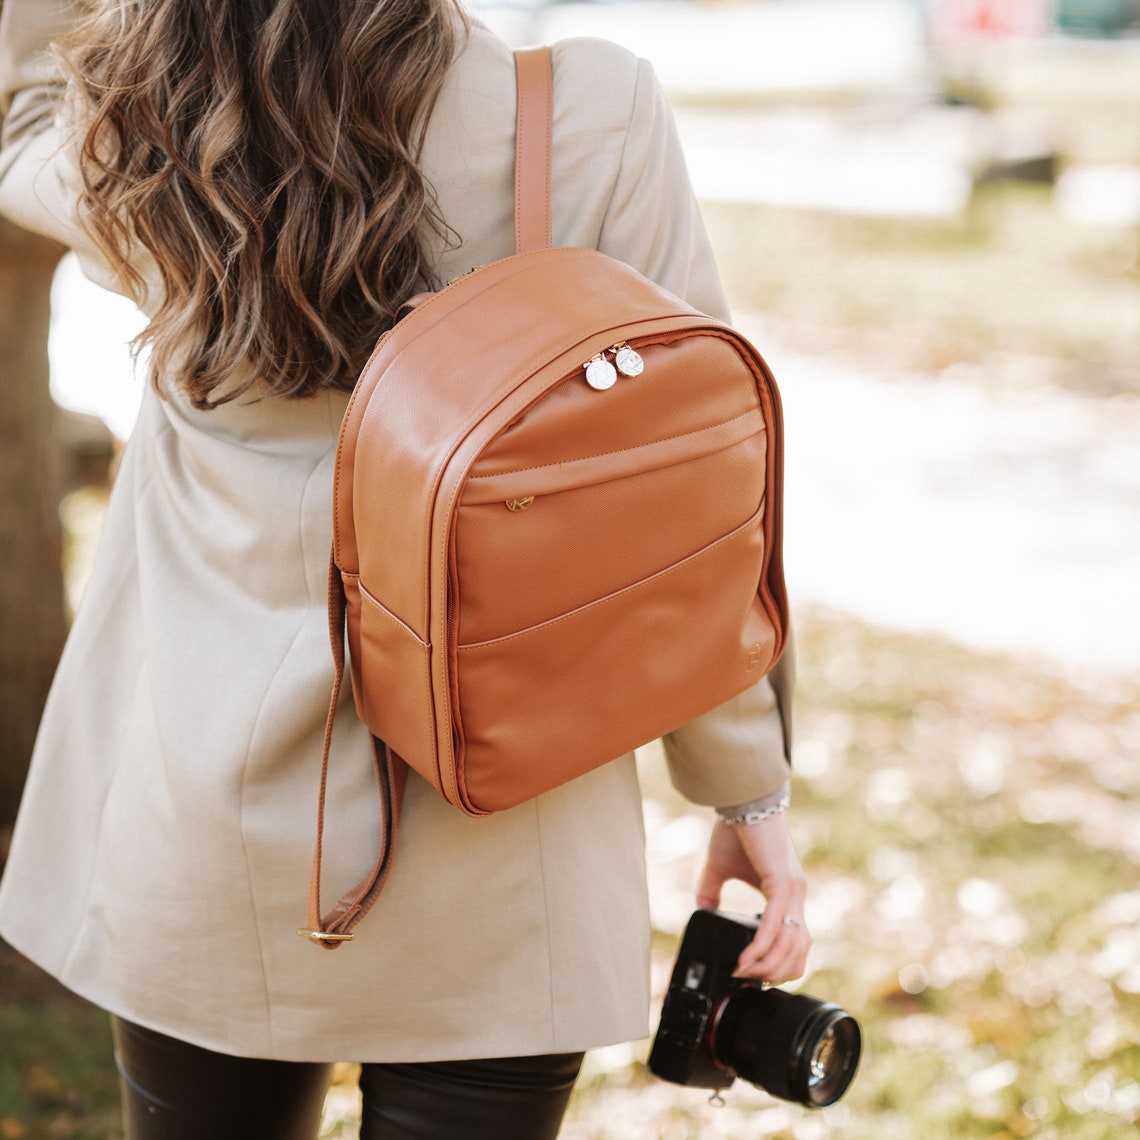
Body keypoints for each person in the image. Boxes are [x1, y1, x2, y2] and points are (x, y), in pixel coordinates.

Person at [0, 1, 810, 1136]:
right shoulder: (588, 112)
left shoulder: (141, 127)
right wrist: (744, 787)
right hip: (514, 823)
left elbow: (19, 99)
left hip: (205, 828)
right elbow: (694, 503)